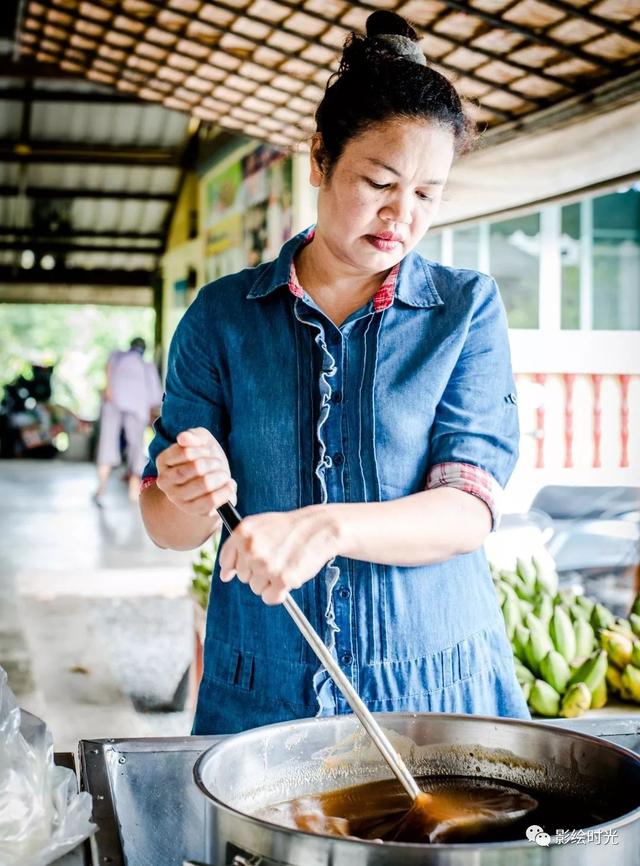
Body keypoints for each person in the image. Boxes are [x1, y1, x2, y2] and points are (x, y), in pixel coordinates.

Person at [140, 11, 530, 734]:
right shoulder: (223, 317)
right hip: (262, 685)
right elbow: (168, 526)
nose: (400, 214)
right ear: (319, 160)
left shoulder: (465, 310)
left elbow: (468, 506)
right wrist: (189, 490)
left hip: (433, 684)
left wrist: (327, 526)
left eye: (426, 193)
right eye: (379, 181)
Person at [95, 337, 162, 505]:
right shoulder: (147, 367)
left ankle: (101, 489)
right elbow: (155, 398)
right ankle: (133, 493)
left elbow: (108, 370)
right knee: (135, 449)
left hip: (113, 404)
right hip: (136, 409)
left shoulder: (117, 356)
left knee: (107, 446)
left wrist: (109, 389)